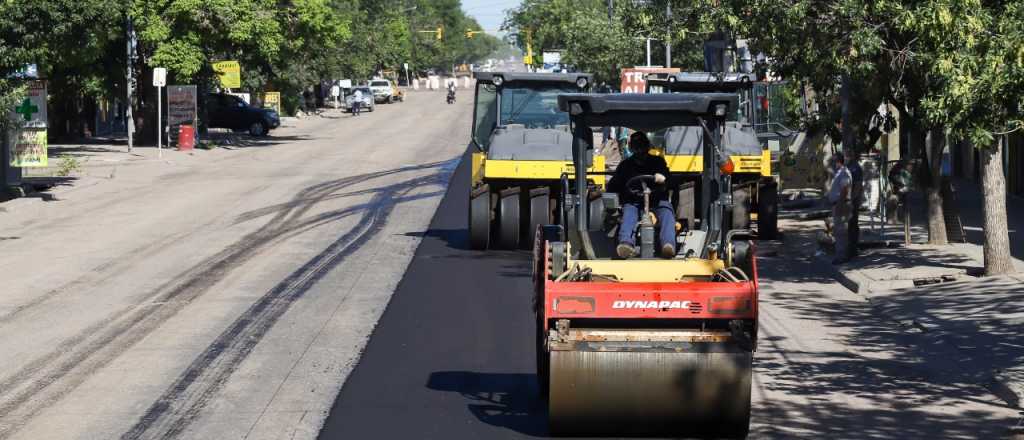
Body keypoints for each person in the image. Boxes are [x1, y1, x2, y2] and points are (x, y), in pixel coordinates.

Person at [608, 131, 676, 259]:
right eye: (637, 147)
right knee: (628, 214)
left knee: (667, 212)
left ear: (647, 147)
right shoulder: (625, 166)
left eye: (642, 147)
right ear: (632, 148)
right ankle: (626, 244)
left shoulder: (658, 162)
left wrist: (663, 178)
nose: (640, 151)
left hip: (657, 200)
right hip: (633, 202)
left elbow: (670, 179)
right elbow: (613, 185)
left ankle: (668, 245)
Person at [827, 152, 852, 264]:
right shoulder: (838, 173)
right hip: (837, 204)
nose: (832, 163)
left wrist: (839, 205)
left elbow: (845, 189)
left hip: (841, 205)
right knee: (838, 231)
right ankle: (839, 255)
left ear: (838, 161)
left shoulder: (844, 173)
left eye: (834, 160)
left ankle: (842, 256)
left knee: (841, 232)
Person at [846, 151, 864, 259]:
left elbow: (857, 186)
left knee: (852, 224)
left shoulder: (855, 168)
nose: (846, 156)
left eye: (847, 154)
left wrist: (851, 200)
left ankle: (853, 249)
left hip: (853, 200)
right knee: (849, 225)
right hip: (848, 200)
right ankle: (850, 248)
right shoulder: (848, 166)